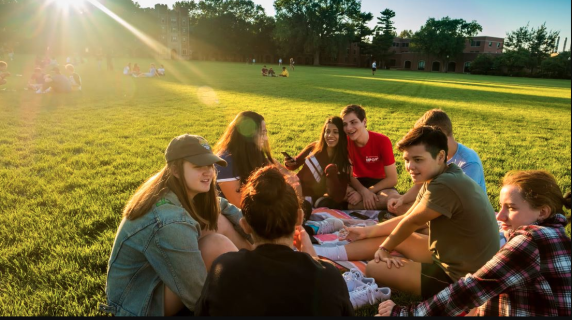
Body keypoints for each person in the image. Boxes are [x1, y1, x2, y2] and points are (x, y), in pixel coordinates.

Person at [316, 126, 500, 301]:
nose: (410, 166)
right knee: (402, 236)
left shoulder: (444, 185)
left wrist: (384, 249)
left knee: (375, 267)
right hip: (457, 255)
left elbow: (412, 222)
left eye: (418, 159)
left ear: (441, 156)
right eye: (406, 159)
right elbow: (406, 219)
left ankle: (337, 261)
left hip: (463, 278)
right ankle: (323, 253)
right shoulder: (440, 176)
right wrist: (366, 231)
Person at [378, 170, 571, 317]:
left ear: (543, 212)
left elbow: (473, 288)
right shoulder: (557, 235)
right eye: (501, 206)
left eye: (511, 208)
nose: (500, 216)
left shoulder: (530, 241)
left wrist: (404, 313)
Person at [100, 134, 251, 316]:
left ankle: (261, 265)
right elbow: (198, 298)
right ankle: (257, 290)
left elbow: (221, 206)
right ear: (175, 170)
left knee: (217, 219)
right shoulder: (169, 221)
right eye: (198, 166)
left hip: (156, 278)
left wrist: (257, 235)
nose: (208, 172)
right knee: (216, 244)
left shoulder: (177, 189)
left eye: (210, 165)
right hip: (137, 303)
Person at [195, 166, 354, 316]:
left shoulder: (223, 270)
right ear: (299, 218)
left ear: (245, 225)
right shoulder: (329, 278)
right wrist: (313, 259)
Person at [388, 109, 487, 216]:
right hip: (439, 201)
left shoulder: (469, 162)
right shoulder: (431, 156)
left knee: (411, 214)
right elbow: (422, 184)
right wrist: (402, 199)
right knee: (400, 207)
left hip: (462, 213)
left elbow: (459, 202)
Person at [214, 111, 300, 209]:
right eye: (262, 133)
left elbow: (290, 177)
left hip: (258, 209)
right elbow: (239, 204)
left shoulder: (253, 153)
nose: (266, 138)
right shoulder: (224, 163)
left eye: (265, 133)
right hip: (236, 216)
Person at [285, 116, 351, 209]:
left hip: (311, 197)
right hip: (296, 186)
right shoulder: (314, 147)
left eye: (335, 132)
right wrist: (289, 162)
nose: (330, 135)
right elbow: (294, 164)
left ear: (342, 135)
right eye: (327, 131)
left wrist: (331, 173)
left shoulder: (343, 161)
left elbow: (338, 195)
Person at [341, 105, 399, 210]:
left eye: (354, 122)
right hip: (357, 183)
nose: (349, 128)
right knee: (338, 190)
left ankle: (347, 206)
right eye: (345, 124)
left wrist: (367, 192)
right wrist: (362, 191)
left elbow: (392, 179)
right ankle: (363, 204)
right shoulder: (344, 143)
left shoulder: (382, 141)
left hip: (379, 184)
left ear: (364, 122)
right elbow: (349, 176)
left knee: (393, 198)